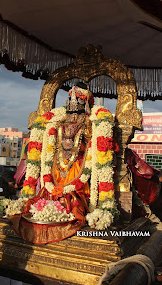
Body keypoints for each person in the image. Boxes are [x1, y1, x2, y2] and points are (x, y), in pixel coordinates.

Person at [11, 83, 119, 244]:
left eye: (79, 98)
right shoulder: (59, 121)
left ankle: (67, 209)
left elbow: (92, 145)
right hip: (57, 166)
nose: (73, 101)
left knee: (74, 198)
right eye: (71, 97)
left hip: (79, 166)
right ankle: (49, 208)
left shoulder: (90, 122)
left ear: (87, 102)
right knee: (49, 191)